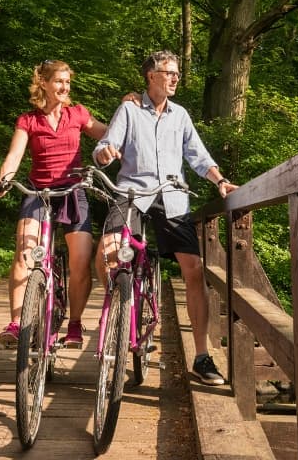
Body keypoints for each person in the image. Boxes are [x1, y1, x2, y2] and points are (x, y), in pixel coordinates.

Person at [93, 50, 238, 386]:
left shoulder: (181, 116)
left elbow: (199, 156)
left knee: (194, 269)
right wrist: (104, 153)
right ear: (151, 75)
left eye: (177, 73)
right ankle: (120, 307)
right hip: (132, 194)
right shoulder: (128, 108)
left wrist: (219, 180)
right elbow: (107, 145)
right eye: (169, 72)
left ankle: (202, 357)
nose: (175, 78)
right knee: (106, 253)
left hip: (172, 198)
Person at [0, 59, 110, 350]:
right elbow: (14, 156)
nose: (64, 87)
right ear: (43, 83)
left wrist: (132, 108)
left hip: (73, 190)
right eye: (58, 81)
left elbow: (110, 134)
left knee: (81, 261)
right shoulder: (28, 120)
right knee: (24, 254)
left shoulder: (78, 114)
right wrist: (2, 181)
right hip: (37, 192)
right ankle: (17, 324)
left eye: (67, 82)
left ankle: (76, 324)